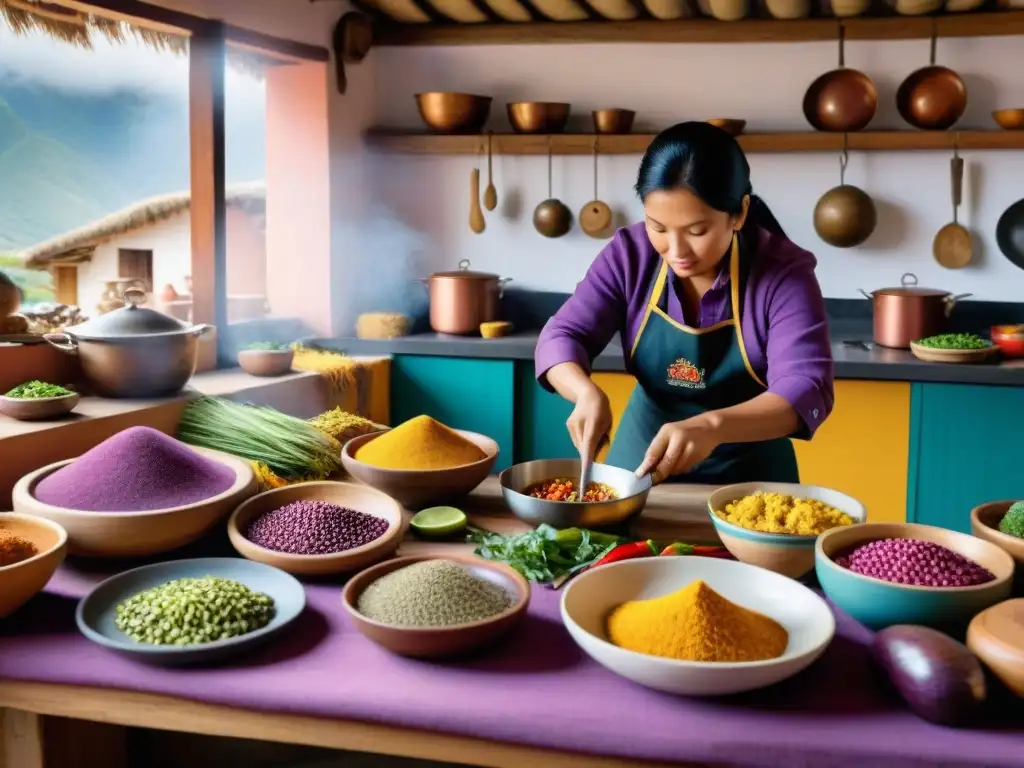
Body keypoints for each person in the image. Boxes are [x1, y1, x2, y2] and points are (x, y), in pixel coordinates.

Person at [534, 121, 834, 485]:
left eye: (696, 231)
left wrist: (712, 426)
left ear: (738, 213)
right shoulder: (630, 255)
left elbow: (805, 385)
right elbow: (564, 334)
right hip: (644, 449)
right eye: (658, 227)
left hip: (749, 469)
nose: (676, 252)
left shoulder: (783, 272)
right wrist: (584, 392)